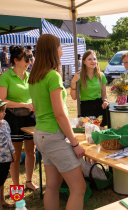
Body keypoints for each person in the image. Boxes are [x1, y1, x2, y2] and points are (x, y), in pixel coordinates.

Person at [28, 34, 86, 210]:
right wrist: (75, 143)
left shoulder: (35, 76)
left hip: (41, 134)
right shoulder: (53, 76)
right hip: (54, 136)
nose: (62, 50)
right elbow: (60, 114)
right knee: (79, 188)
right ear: (53, 50)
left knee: (52, 186)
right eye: (60, 46)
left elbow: (39, 108)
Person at [0, 46, 38, 191]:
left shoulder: (31, 76)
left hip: (29, 117)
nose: (29, 62)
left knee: (31, 152)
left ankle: (29, 181)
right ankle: (16, 187)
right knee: (15, 155)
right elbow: (2, 100)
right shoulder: (6, 77)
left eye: (30, 58)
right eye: (26, 59)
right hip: (13, 119)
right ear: (16, 60)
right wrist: (24, 104)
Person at [71, 50, 110, 127]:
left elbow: (104, 95)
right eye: (89, 59)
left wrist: (105, 101)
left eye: (94, 59)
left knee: (100, 131)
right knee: (88, 133)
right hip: (86, 108)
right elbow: (74, 97)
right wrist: (73, 82)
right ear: (84, 62)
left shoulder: (101, 75)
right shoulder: (79, 76)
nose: (93, 61)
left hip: (99, 106)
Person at [0, 100, 16, 209]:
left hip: (6, 159)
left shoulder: (5, 123)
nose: (4, 113)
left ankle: (2, 201)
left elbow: (9, 140)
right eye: (2, 111)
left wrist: (13, 152)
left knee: (2, 181)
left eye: (4, 111)